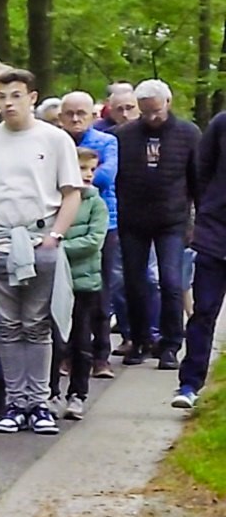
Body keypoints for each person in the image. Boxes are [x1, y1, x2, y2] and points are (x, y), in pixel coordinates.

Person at [0, 67, 86, 435]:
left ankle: (40, 401)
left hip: (38, 240)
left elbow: (71, 192)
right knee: (6, 325)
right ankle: (15, 401)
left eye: (16, 95)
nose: (8, 103)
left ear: (32, 97)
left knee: (37, 324)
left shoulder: (55, 139)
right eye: (1, 96)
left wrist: (55, 237)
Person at [113, 79, 200, 370]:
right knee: (135, 282)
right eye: (145, 111)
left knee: (171, 282)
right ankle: (139, 340)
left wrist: (197, 222)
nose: (151, 117)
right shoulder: (124, 136)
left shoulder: (188, 134)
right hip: (133, 221)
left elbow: (197, 180)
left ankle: (171, 343)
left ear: (168, 103)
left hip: (172, 221)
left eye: (156, 111)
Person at [53, 145, 110, 419]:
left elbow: (93, 242)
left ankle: (77, 394)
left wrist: (55, 246)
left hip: (84, 283)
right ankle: (50, 392)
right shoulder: (52, 201)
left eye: (91, 169)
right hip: (54, 282)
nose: (88, 175)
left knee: (81, 341)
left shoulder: (96, 204)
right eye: (81, 168)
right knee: (53, 340)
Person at [176, 100, 226, 410]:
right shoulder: (221, 124)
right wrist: (208, 209)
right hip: (215, 233)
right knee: (204, 311)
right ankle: (189, 383)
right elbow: (201, 171)